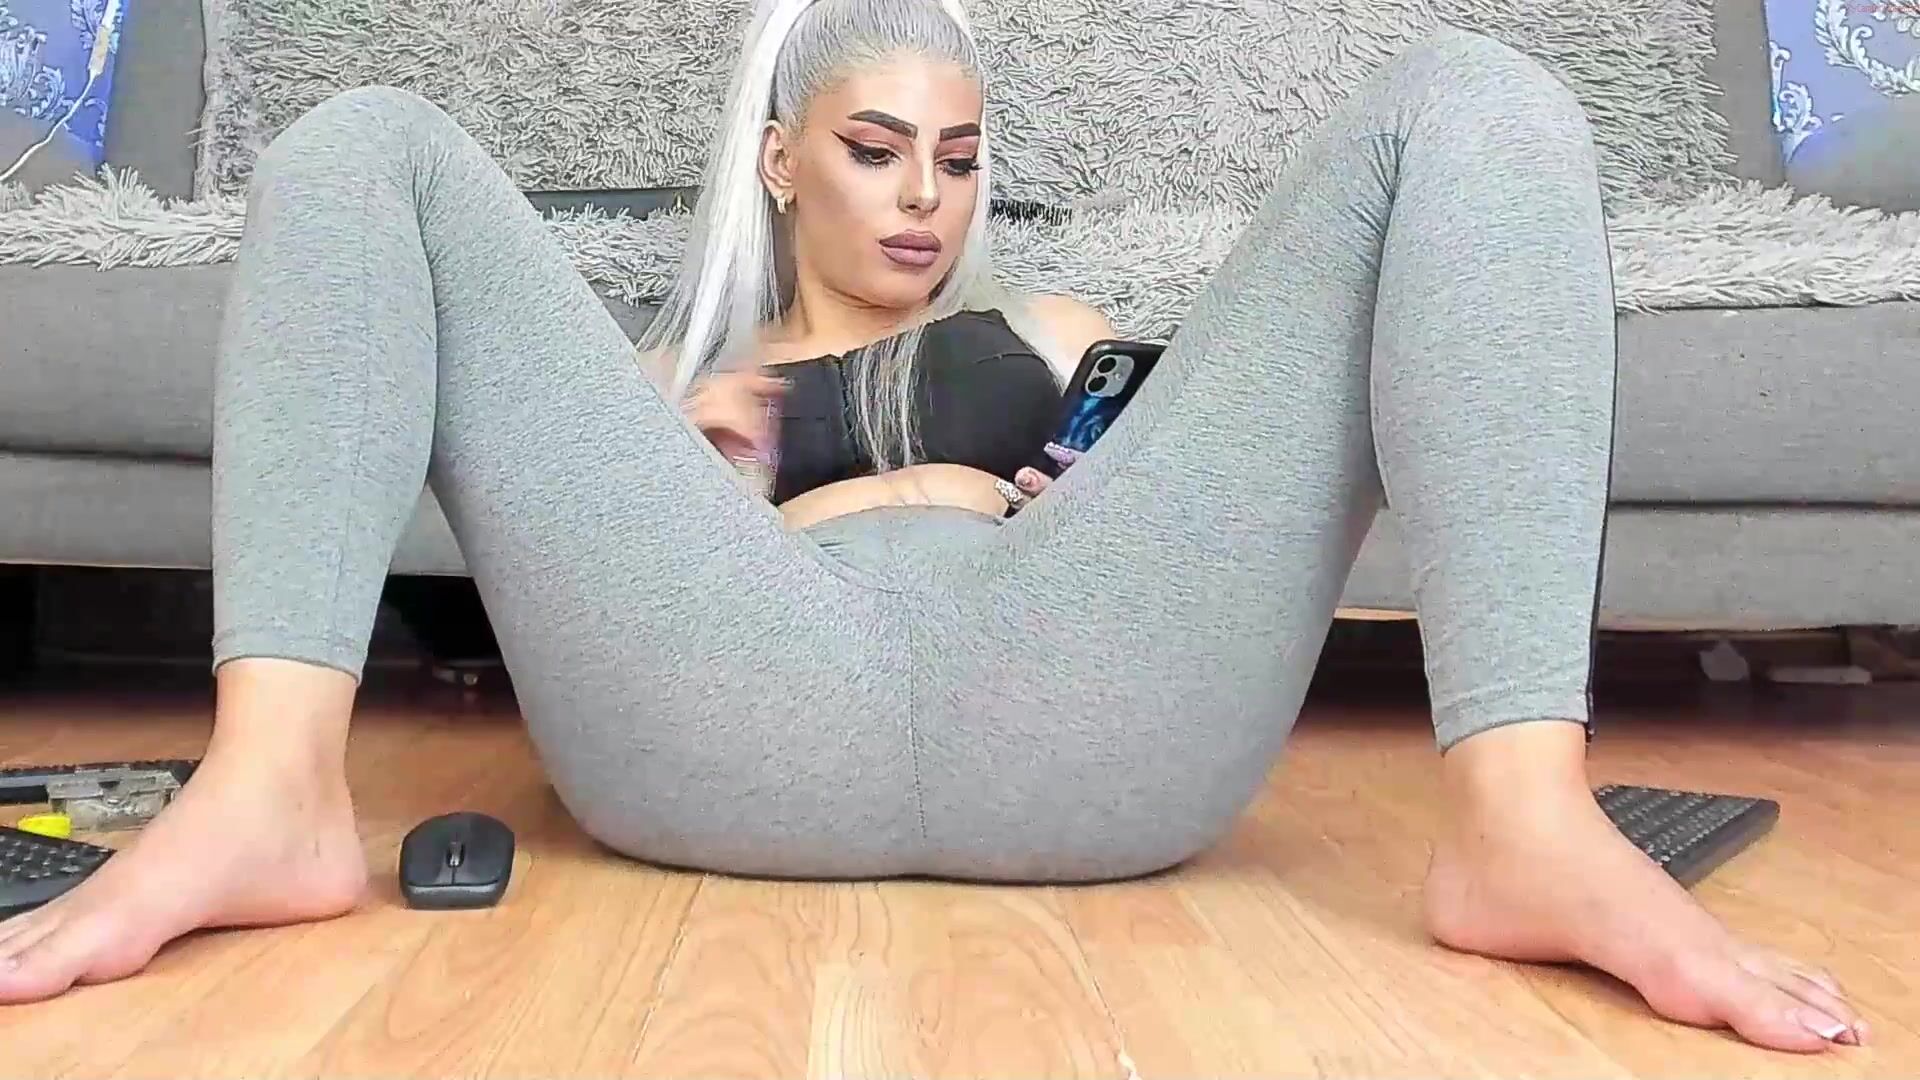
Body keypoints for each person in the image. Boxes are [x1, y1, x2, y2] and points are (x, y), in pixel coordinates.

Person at [0, 0, 1866, 1052]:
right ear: (780, 160)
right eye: (876, 149)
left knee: (1481, 98)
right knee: (356, 143)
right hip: (731, 694)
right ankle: (272, 790)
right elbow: (578, 552)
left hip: (1080, 686)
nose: (925, 199)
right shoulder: (662, 386)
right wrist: (716, 445)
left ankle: (1524, 821)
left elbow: (1225, 511)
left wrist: (1079, 491)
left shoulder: (1058, 332)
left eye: (959, 160)